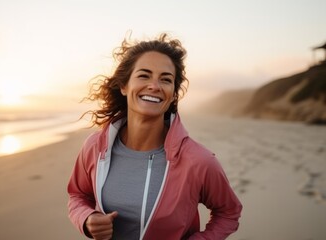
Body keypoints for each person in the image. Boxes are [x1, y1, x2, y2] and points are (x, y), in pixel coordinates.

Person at [67, 33, 242, 240]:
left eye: (166, 80)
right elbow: (77, 195)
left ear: (173, 94)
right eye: (144, 75)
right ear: (124, 86)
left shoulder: (198, 161)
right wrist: (87, 218)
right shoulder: (95, 146)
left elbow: (229, 212)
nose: (155, 86)